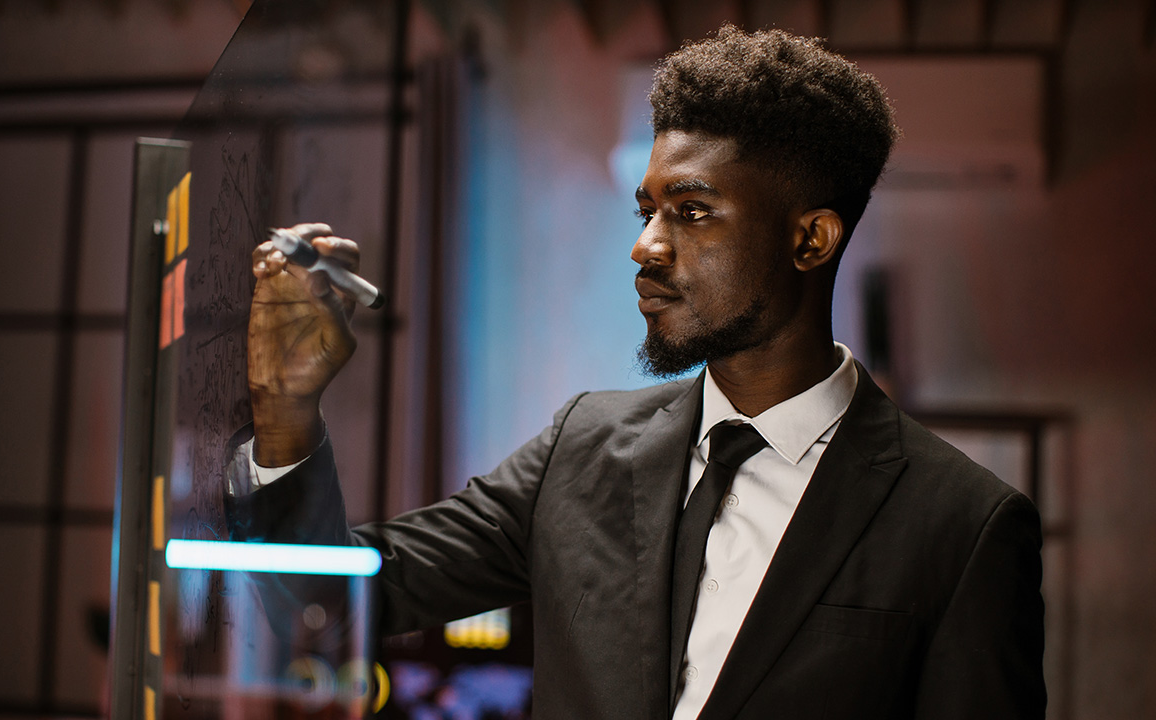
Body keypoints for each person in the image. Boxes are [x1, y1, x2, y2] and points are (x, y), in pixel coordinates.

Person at [227, 24, 1046, 720]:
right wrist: (284, 405)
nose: (646, 247)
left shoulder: (964, 526)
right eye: (646, 210)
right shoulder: (579, 450)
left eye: (691, 212)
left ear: (811, 241)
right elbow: (323, 604)